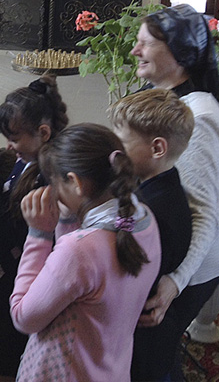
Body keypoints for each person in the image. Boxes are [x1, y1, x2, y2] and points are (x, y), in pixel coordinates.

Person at [10, 123, 161, 381]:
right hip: (112, 369)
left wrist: (39, 234)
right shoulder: (142, 218)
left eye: (55, 182)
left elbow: (24, 317)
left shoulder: (78, 250)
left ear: (75, 182)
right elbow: (80, 275)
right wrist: (68, 219)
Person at [131, 4, 219, 351]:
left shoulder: (197, 117)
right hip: (168, 248)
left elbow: (203, 212)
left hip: (190, 266)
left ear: (180, 52)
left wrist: (175, 281)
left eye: (146, 43)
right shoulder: (163, 98)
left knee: (152, 356)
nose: (135, 50)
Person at [0, 75, 69, 382]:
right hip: (4, 275)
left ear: (43, 133)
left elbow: (34, 230)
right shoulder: (29, 160)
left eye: (15, 138)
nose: (9, 146)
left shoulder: (52, 175)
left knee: (9, 361)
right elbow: (16, 192)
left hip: (24, 280)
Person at [109, 88, 196, 381]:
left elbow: (123, 269)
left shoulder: (153, 214)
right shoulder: (157, 184)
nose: (115, 152)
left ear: (157, 148)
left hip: (143, 337)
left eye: (122, 143)